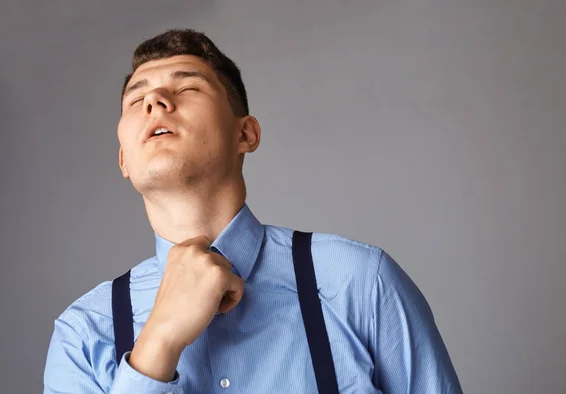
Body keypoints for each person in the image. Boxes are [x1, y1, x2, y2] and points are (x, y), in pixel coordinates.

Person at [43, 28, 462, 393]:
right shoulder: (84, 333)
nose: (154, 100)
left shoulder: (359, 282)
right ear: (124, 161)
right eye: (137, 100)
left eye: (187, 88)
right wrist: (159, 341)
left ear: (245, 133)